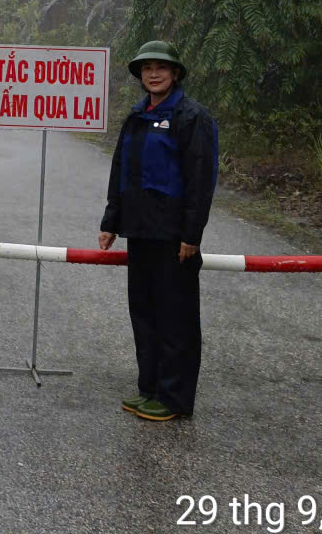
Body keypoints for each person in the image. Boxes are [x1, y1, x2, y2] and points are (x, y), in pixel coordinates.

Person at [98, 40, 218, 422]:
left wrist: (191, 234)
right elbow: (122, 171)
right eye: (146, 68)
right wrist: (111, 222)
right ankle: (149, 388)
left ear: (176, 73)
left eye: (161, 68)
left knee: (175, 319)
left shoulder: (191, 117)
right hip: (140, 232)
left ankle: (174, 399)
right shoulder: (136, 116)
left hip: (173, 238)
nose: (153, 73)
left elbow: (201, 179)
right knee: (145, 314)